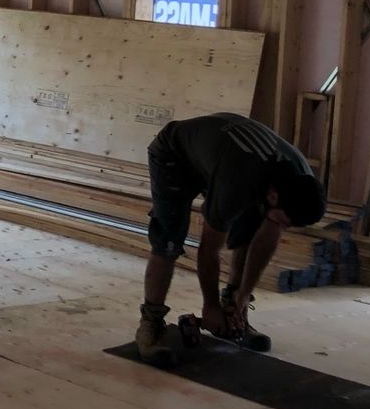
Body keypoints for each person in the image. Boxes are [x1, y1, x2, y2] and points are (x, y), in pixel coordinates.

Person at [137, 112, 326, 365]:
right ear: (272, 197)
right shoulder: (237, 181)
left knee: (248, 226)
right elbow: (208, 251)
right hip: (175, 154)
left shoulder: (299, 180)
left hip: (223, 156)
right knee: (168, 239)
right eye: (283, 221)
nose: (283, 228)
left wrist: (243, 295)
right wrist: (210, 306)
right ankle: (150, 323)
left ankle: (233, 311)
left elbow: (266, 240)